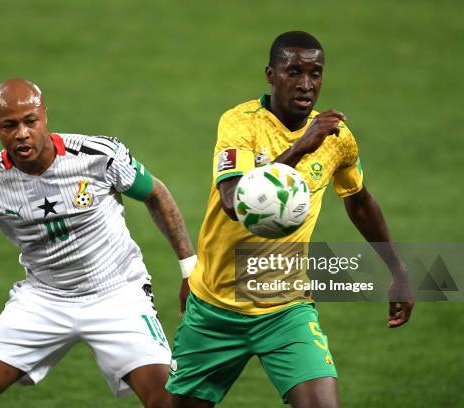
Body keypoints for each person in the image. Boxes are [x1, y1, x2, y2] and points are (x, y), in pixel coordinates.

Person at [165, 31, 414, 407]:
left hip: (286, 310)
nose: (306, 84)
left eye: (315, 74)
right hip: (215, 310)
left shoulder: (336, 137)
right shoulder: (240, 123)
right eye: (294, 71)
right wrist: (300, 147)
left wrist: (398, 270)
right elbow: (234, 202)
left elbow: (359, 201)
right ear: (271, 74)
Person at [0, 79, 195, 408]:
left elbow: (156, 194)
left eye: (30, 121)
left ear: (45, 116)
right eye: (9, 125)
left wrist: (190, 268)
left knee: (166, 400)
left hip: (117, 293)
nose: (21, 133)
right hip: (44, 298)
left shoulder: (97, 156)